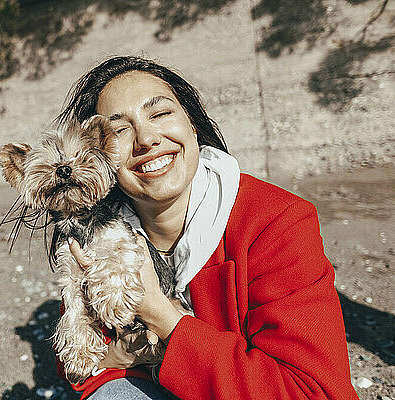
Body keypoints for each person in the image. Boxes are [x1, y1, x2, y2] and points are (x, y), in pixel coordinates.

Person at [54, 56, 359, 400]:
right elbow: (83, 366)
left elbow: (313, 393)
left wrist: (159, 312)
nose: (146, 139)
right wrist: (126, 354)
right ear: (93, 155)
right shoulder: (95, 236)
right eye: (118, 130)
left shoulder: (276, 222)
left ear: (192, 124)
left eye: (160, 113)